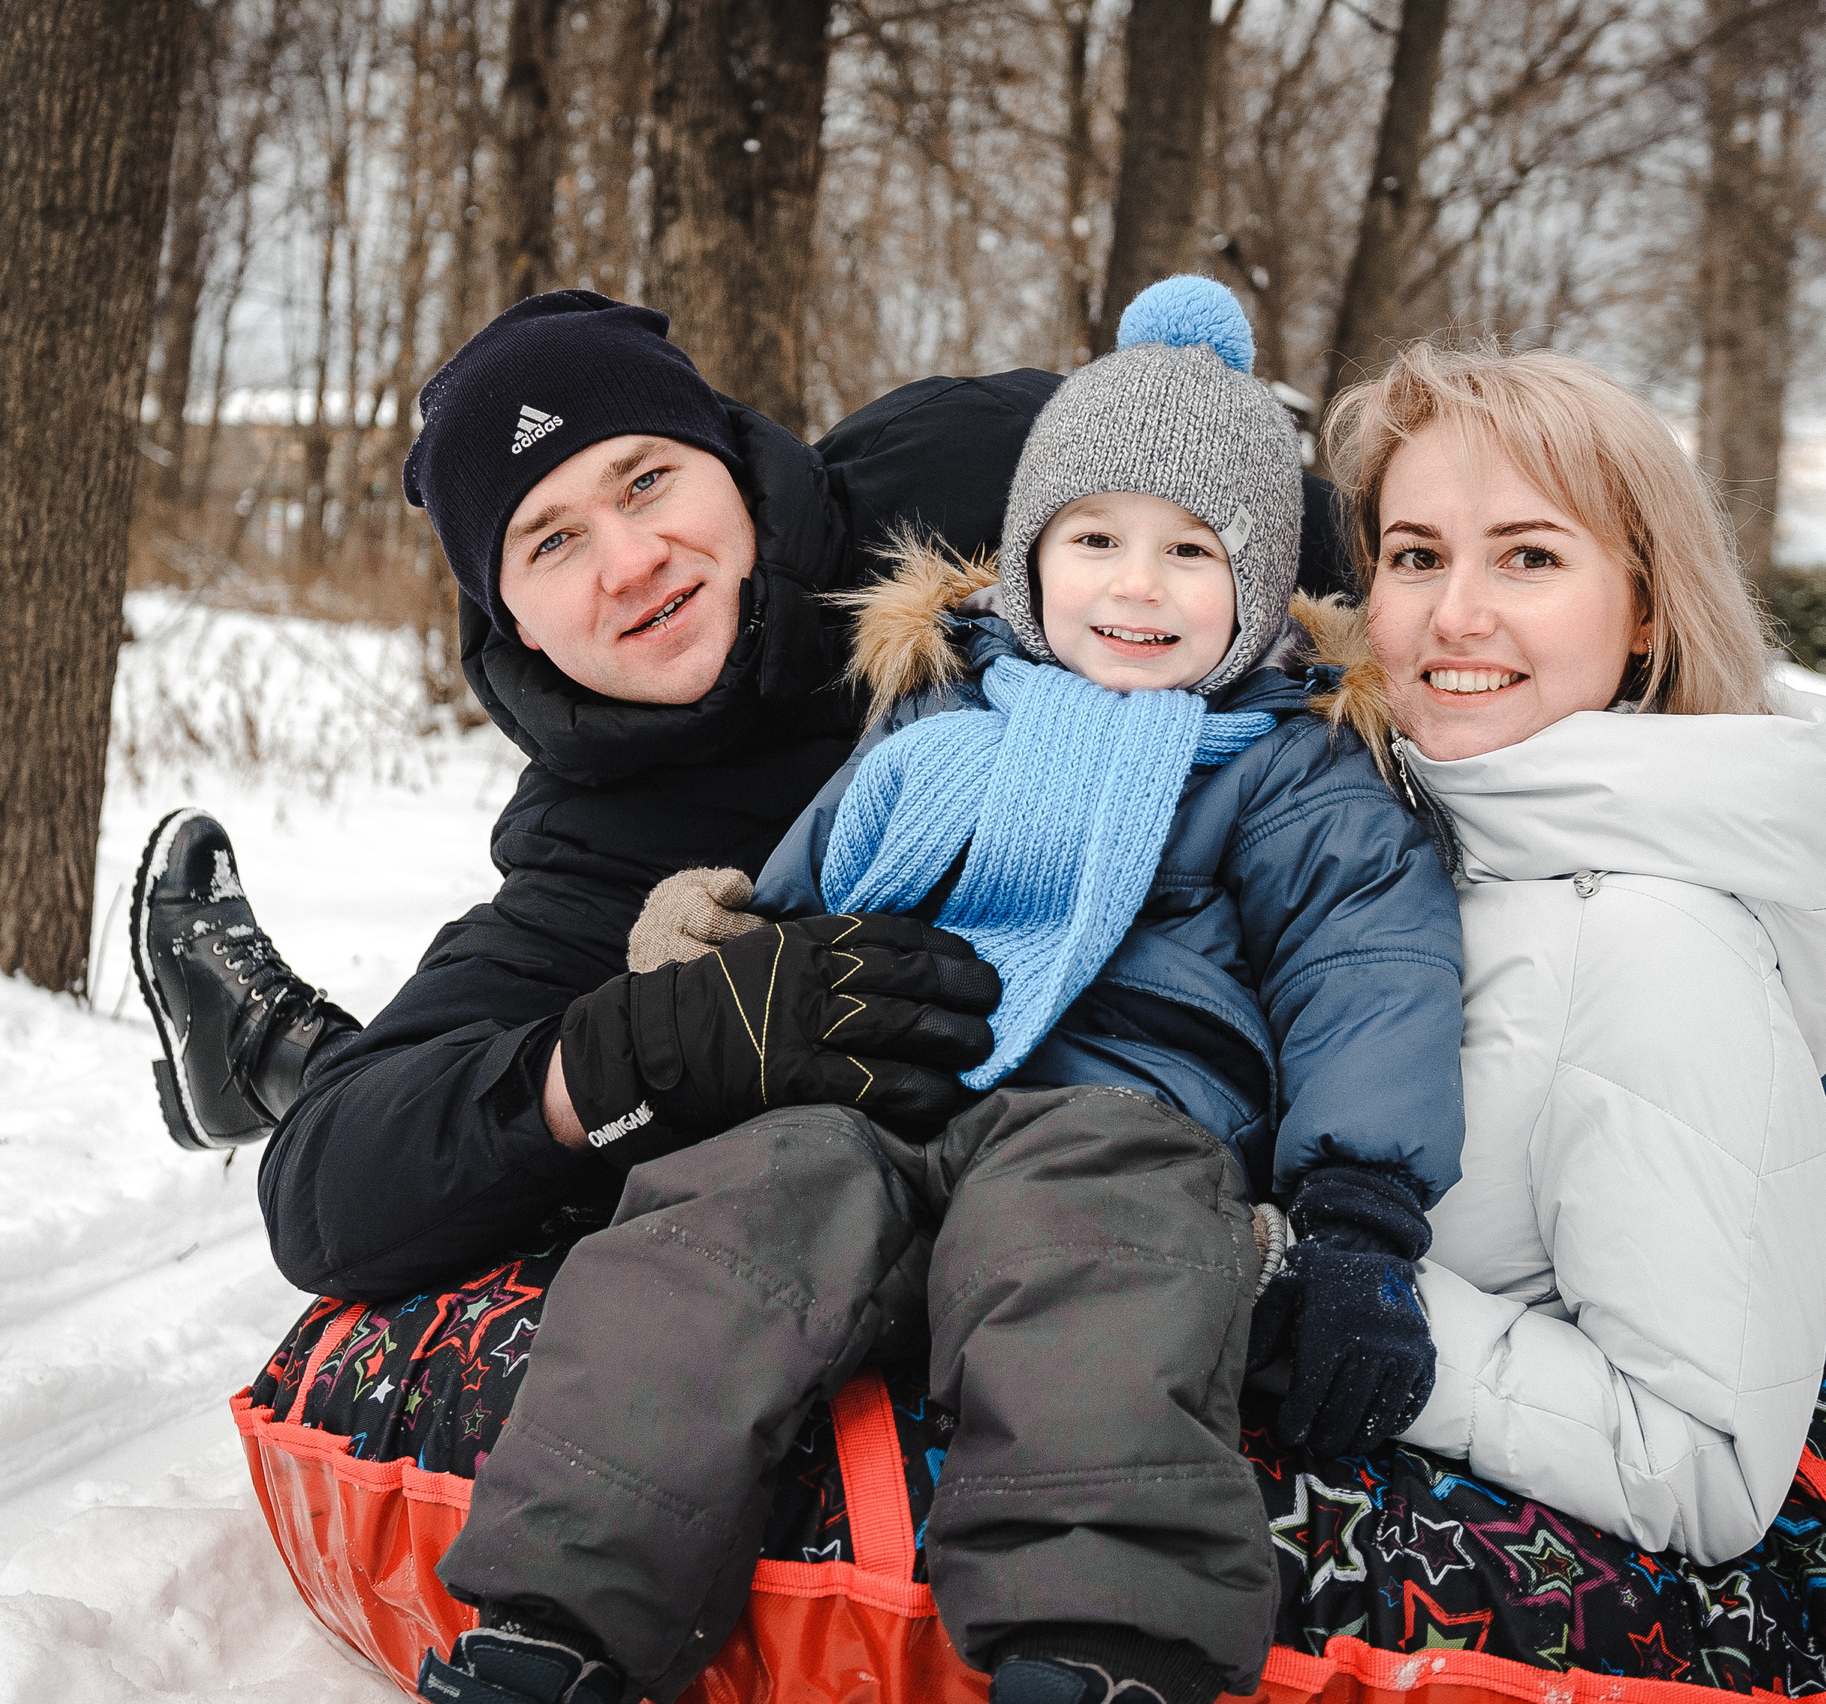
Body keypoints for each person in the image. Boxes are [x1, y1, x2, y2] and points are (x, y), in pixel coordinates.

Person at [139, 287, 1826, 1610]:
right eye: (542, 540)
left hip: (1547, 857)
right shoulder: (595, 842)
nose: (621, 557)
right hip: (1477, 1097)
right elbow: (337, 1191)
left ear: (726, 453)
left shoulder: (949, 463)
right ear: (495, 615)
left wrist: (1443, 663)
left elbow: (1283, 497)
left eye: (642, 480)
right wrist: (653, 1039)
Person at [420, 277, 1466, 1704]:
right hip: (882, 1087)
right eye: (1094, 539)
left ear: (1264, 584)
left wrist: (1360, 1212)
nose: (1136, 586)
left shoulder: (1282, 765)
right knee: (713, 1230)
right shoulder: (939, 712)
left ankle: (1099, 1643)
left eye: (1191, 551)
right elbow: (820, 878)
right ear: (1028, 561)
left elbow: (1369, 966)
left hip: (1121, 1108)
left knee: (1108, 1267)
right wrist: (714, 962)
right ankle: (560, 1616)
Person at [1315, 342, 1826, 1563]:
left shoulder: (1644, 941)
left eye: (1528, 556)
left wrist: (1345, 1306)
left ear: (1644, 608)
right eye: (1416, 556)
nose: (1454, 612)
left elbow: (1699, 1464)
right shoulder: (1378, 834)